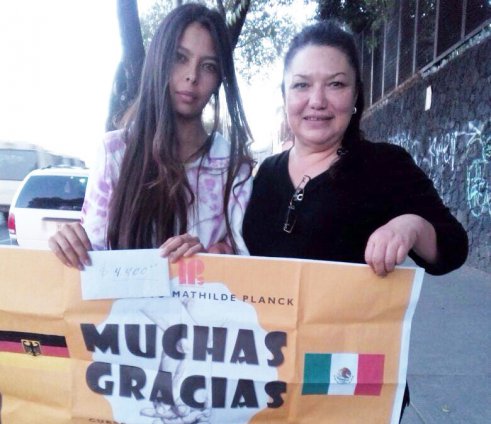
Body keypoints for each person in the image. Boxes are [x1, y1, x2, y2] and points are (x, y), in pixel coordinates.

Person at [241, 20, 468, 419]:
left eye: (336, 84)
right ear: (284, 95)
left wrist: (410, 225)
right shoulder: (260, 177)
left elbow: (452, 248)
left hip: (352, 388)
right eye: (301, 85)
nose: (317, 100)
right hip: (271, 386)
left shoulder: (386, 166)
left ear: (356, 95)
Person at [49, 3, 254, 268]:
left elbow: (246, 271)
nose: (192, 76)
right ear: (159, 60)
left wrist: (215, 259)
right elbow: (92, 262)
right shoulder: (115, 152)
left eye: (209, 66)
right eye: (180, 58)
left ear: (219, 79)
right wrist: (70, 244)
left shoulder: (234, 167)